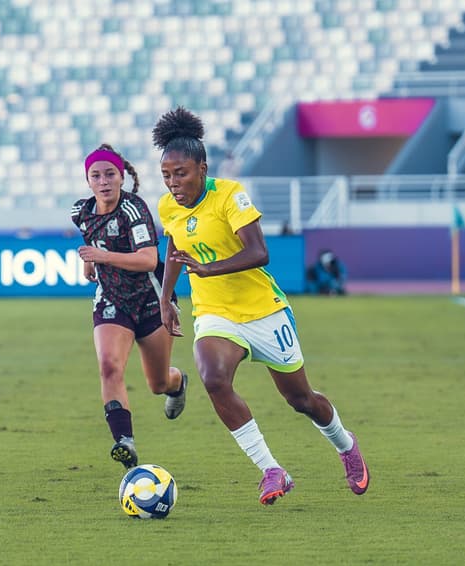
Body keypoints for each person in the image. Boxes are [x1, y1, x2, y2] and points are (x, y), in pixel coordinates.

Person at [152, 107, 369, 505]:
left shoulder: (229, 195)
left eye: (180, 173)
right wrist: (166, 299)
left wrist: (209, 268)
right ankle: (272, 469)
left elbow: (259, 252)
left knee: (301, 400)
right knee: (213, 378)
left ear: (202, 169)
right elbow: (174, 245)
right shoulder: (168, 206)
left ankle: (345, 443)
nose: (173, 183)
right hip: (215, 313)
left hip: (264, 311)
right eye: (166, 175)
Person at [71, 143, 188, 469]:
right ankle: (124, 441)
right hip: (112, 300)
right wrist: (90, 260)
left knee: (158, 383)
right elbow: (90, 235)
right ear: (88, 180)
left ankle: (177, 383)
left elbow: (149, 259)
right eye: (96, 176)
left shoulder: (133, 210)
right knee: (109, 366)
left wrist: (102, 256)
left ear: (122, 177)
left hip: (151, 301)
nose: (103, 181)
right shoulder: (80, 211)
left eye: (110, 174)